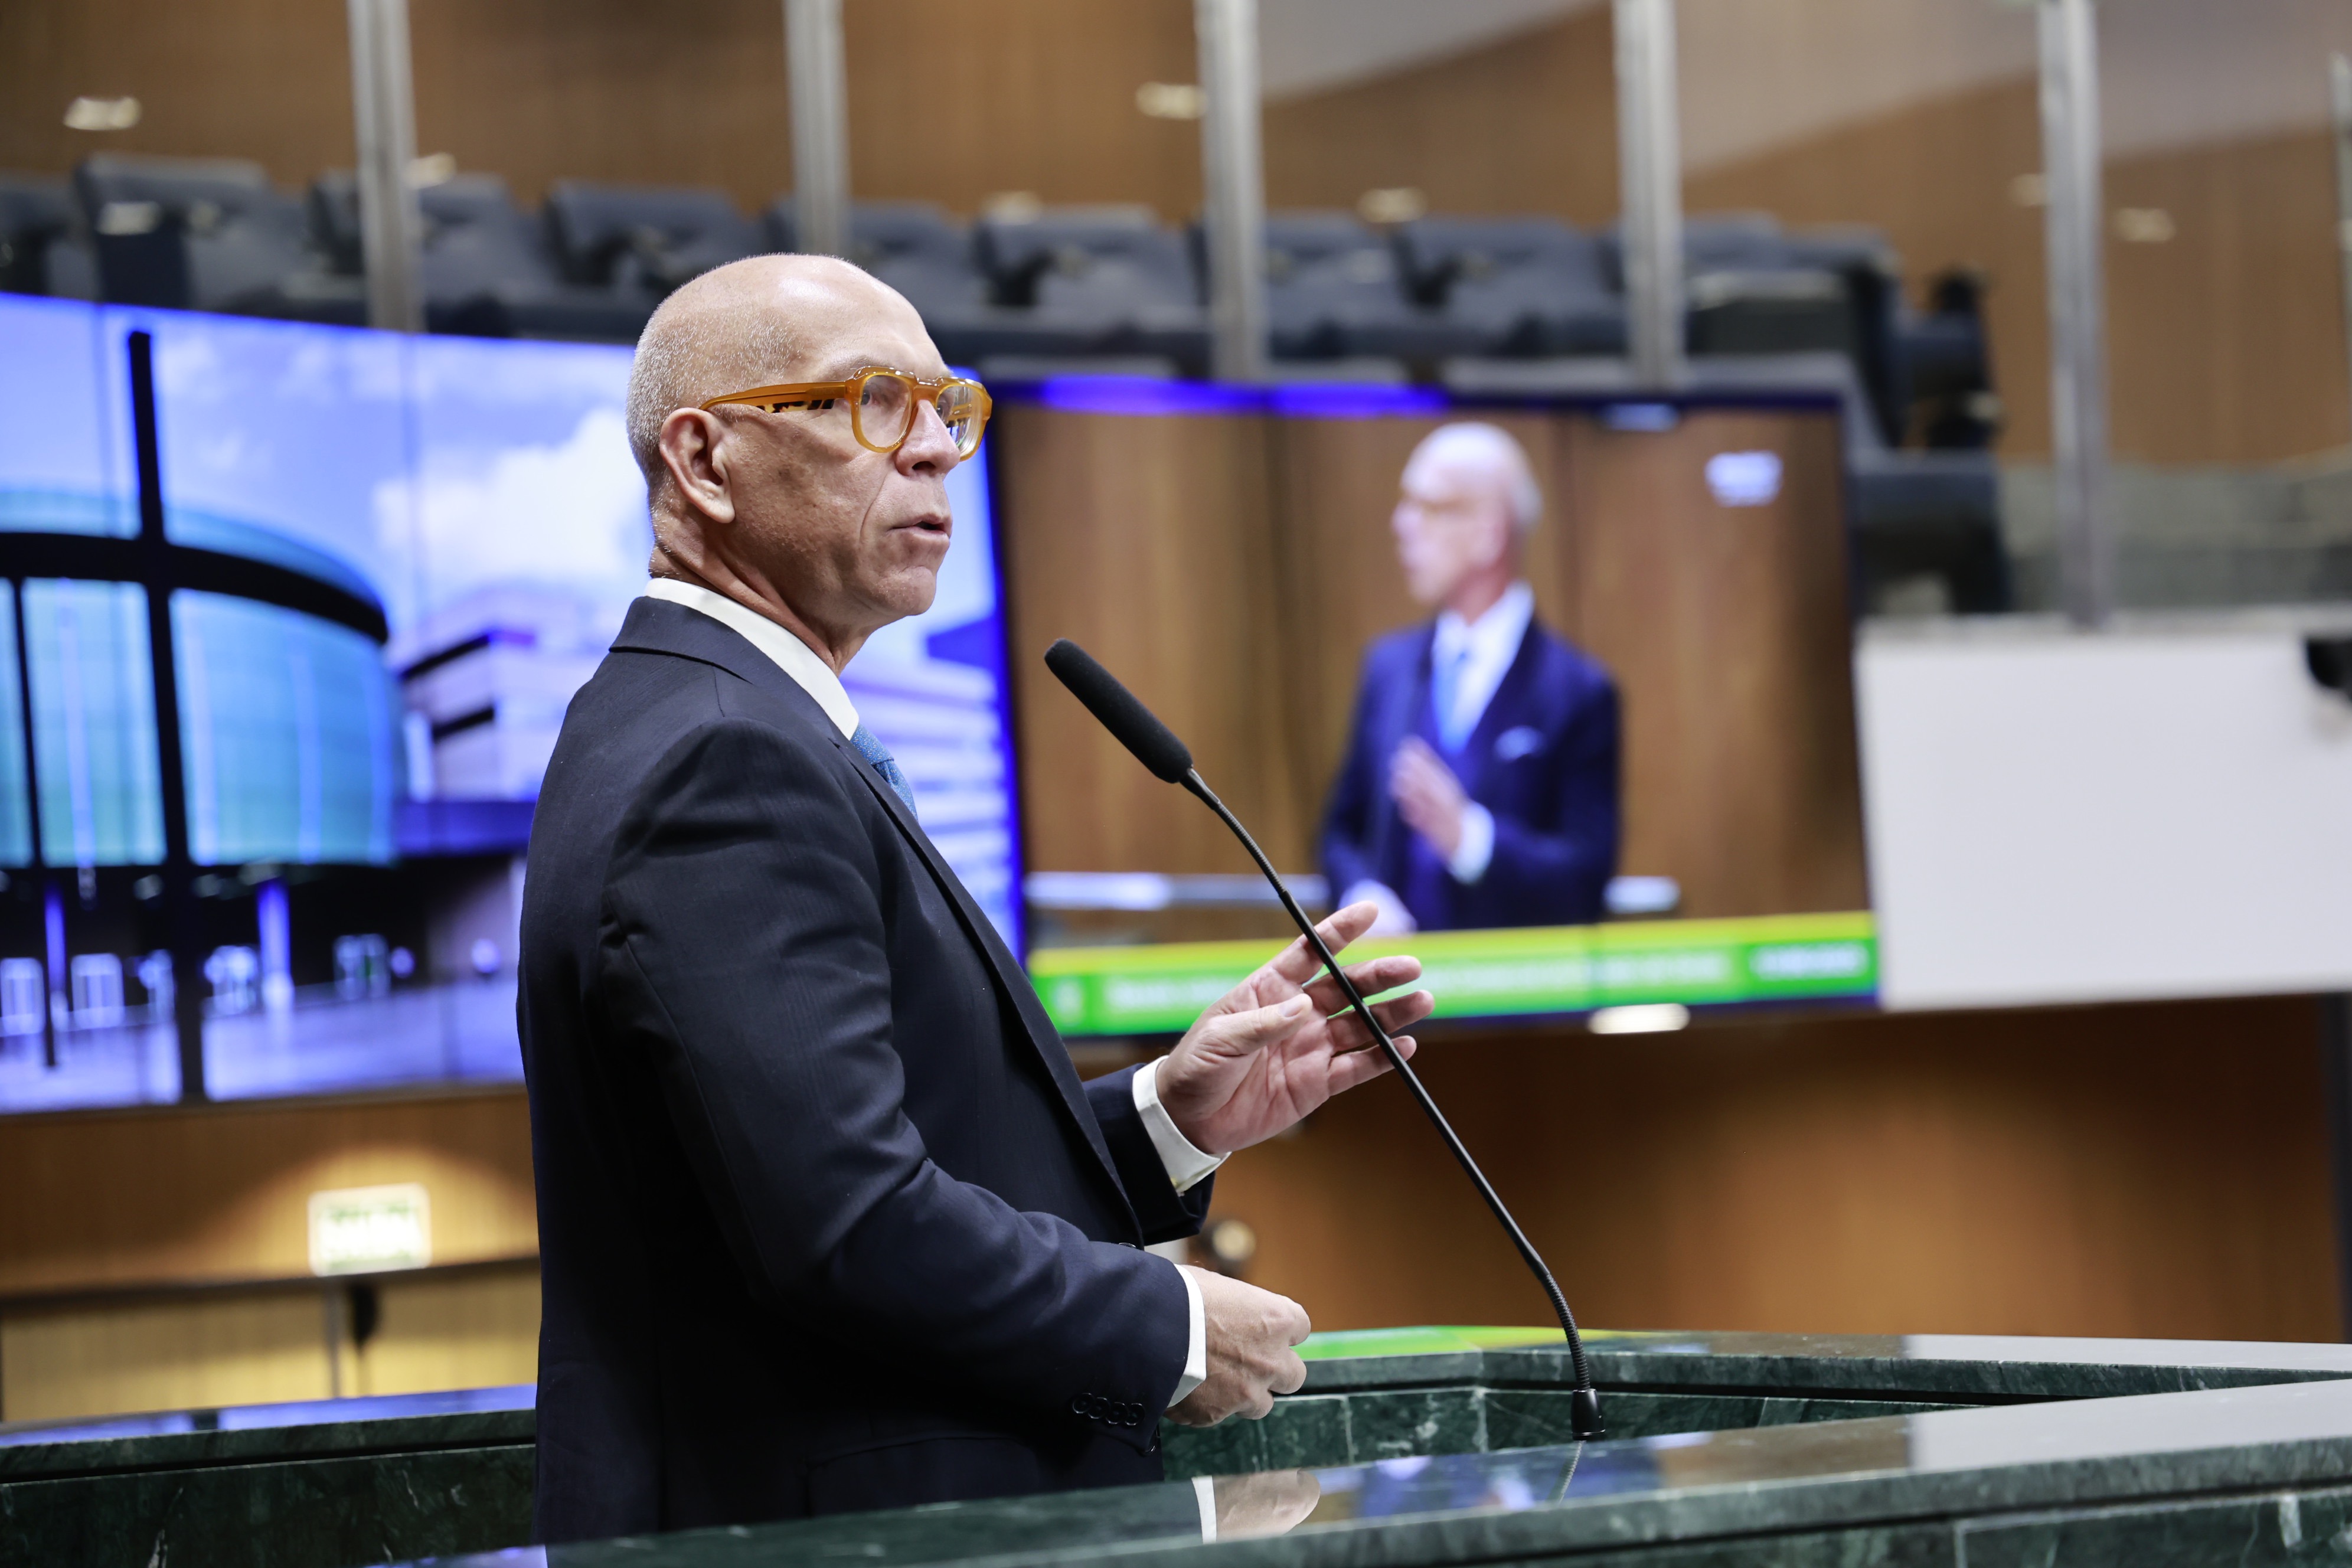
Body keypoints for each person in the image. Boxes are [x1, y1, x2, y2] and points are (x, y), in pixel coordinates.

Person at [518, 254, 1433, 1542]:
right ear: (705, 461)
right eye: (872, 402)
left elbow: (851, 1161)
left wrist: (1169, 1115)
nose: (936, 449)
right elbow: (844, 1221)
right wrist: (1167, 1326)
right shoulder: (722, 758)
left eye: (947, 407)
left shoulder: (711, 721)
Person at [1321, 423, 1620, 934]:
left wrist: (1472, 840)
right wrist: (1362, 894)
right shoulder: (1387, 669)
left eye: (1430, 507)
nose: (1402, 524)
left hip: (1514, 979)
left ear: (1489, 533)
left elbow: (1584, 882)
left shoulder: (1577, 691)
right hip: (1393, 979)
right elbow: (1340, 833)